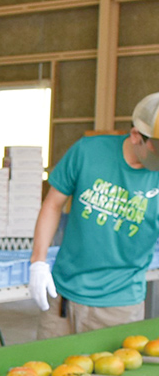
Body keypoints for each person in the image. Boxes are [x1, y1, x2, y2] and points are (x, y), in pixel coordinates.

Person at [29, 92, 159, 337]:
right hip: (63, 295)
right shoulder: (88, 152)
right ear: (135, 136)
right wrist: (38, 261)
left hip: (120, 305)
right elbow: (53, 204)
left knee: (109, 374)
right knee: (47, 370)